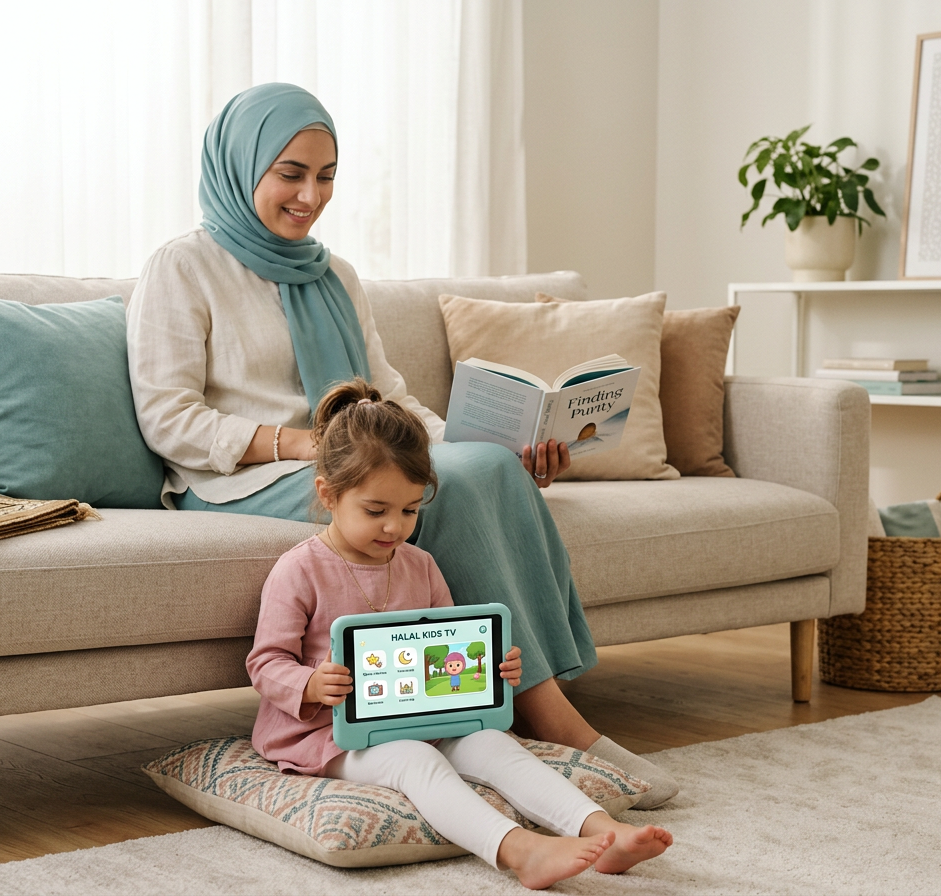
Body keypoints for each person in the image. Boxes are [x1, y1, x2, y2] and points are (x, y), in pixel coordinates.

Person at [126, 82, 677, 806]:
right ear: (239, 167)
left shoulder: (336, 275)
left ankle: (525, 706)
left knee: (478, 469)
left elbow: (392, 400)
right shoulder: (183, 266)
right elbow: (169, 417)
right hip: (236, 476)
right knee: (431, 492)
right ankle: (555, 724)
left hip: (346, 457)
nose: (310, 195)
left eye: (325, 176)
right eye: (290, 173)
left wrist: (493, 445)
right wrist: (296, 444)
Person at [246, 380, 672, 889]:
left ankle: (604, 831)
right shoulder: (299, 570)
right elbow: (265, 662)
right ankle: (519, 850)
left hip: (422, 714)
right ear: (328, 495)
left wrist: (491, 668)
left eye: (409, 510)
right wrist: (312, 685)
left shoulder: (420, 565)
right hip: (328, 734)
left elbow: (449, 646)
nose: (394, 528)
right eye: (375, 511)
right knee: (415, 760)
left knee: (497, 742)